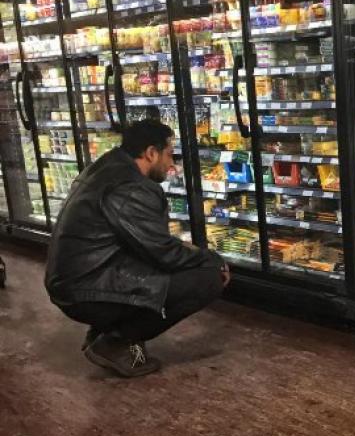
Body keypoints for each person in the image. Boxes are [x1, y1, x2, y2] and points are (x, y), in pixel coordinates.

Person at [45, 119, 230, 378]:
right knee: (208, 279)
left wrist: (186, 249)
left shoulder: (107, 167)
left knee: (178, 263)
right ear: (151, 153)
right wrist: (212, 259)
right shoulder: (131, 187)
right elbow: (163, 253)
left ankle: (105, 332)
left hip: (76, 281)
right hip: (86, 288)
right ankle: (116, 342)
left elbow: (145, 243)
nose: (171, 164)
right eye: (169, 155)